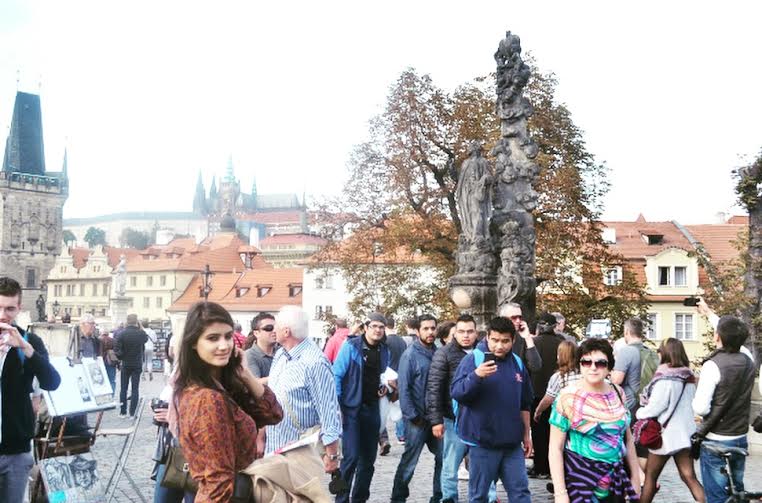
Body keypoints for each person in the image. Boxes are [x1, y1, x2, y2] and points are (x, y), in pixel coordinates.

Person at [175, 301, 283, 501]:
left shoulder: (221, 386)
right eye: (212, 338)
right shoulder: (207, 399)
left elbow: (274, 413)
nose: (224, 345)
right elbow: (219, 481)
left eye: (228, 336)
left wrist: (245, 374)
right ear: (193, 342)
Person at [451, 316, 533, 503]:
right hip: (482, 443)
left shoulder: (518, 364)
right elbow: (457, 392)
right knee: (479, 496)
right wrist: (476, 376)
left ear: (513, 340)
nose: (499, 346)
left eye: (505, 341)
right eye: (495, 340)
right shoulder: (473, 360)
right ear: (487, 337)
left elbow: (524, 403)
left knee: (521, 494)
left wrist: (526, 435)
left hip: (511, 444)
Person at [548, 338, 641, 503]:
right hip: (580, 480)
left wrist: (635, 476)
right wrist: (560, 493)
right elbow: (555, 448)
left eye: (600, 363)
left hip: (614, 482)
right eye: (586, 362)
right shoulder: (567, 396)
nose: (593, 367)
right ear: (579, 365)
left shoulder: (618, 392)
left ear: (609, 367)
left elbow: (627, 439)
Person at [0, 277, 61, 501]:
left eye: (9, 309)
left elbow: (51, 382)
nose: (2, 315)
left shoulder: (29, 341)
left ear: (19, 309)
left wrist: (26, 349)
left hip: (16, 451)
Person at [426, 314, 496, 503]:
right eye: (461, 331)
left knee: (483, 464)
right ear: (455, 333)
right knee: (450, 465)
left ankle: (488, 498)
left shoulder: (484, 352)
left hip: (480, 419)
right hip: (453, 418)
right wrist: (436, 420)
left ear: (476, 333)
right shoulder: (444, 353)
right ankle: (449, 498)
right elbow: (434, 387)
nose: (466, 335)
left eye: (470, 331)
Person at [264, 306, 342, 473]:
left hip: (301, 454)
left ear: (286, 332)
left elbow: (329, 411)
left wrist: (332, 455)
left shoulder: (314, 363)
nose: (273, 330)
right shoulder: (281, 355)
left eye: (275, 326)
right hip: (274, 451)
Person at [692, 315, 755, 503]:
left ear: (717, 337)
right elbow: (737, 340)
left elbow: (701, 408)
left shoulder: (713, 365)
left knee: (717, 496)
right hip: (740, 435)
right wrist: (709, 313)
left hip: (716, 438)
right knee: (738, 492)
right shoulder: (748, 359)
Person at [636, 338, 704, 503]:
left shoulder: (665, 378)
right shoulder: (688, 377)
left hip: (665, 436)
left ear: (665, 353)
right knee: (689, 477)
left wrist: (640, 412)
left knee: (650, 476)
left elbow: (655, 407)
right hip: (685, 434)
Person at [333, 312, 390, 503]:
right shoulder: (351, 347)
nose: (378, 330)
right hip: (351, 410)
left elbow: (381, 375)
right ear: (366, 327)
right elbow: (337, 375)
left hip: (372, 409)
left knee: (368, 462)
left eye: (381, 327)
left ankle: (359, 499)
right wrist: (337, 406)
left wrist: (383, 387)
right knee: (350, 459)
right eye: (374, 326)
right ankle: (341, 499)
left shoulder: (384, 350)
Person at [391, 314, 442, 503]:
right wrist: (412, 416)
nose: (430, 332)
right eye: (426, 328)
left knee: (443, 459)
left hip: (436, 419)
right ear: (418, 331)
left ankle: (439, 497)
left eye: (432, 328)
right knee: (409, 462)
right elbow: (404, 389)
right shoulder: (410, 355)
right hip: (417, 420)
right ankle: (398, 499)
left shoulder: (438, 352)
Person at [610, 317, 658, 472]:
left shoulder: (626, 351)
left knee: (628, 445)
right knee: (642, 446)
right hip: (647, 405)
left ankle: (634, 481)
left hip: (629, 405)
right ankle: (645, 478)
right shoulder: (650, 353)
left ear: (627, 332)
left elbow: (617, 380)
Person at [529, 312, 564, 479]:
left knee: (538, 432)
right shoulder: (562, 343)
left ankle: (540, 465)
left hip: (536, 393)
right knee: (555, 431)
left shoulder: (533, 343)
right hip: (558, 394)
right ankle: (553, 467)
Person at [380, 315, 408, 455]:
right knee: (398, 409)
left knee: (383, 409)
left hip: (388, 377)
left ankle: (383, 438)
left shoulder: (385, 341)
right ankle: (402, 435)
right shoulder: (402, 341)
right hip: (400, 377)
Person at [532, 340, 580, 422]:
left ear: (560, 356)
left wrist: (538, 411)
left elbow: (548, 399)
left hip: (565, 419)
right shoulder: (583, 374)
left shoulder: (558, 377)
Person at [115, 314, 148, 418]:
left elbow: (116, 349)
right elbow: (145, 339)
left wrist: (121, 357)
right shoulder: (141, 333)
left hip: (125, 363)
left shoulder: (121, 334)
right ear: (136, 322)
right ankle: (132, 413)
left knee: (123, 388)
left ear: (127, 321)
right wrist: (141, 327)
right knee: (135, 389)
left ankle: (123, 412)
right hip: (137, 363)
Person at [497, 302, 542, 372]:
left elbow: (536, 366)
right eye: (514, 318)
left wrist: (527, 337)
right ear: (503, 319)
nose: (518, 321)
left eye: (520, 317)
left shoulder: (522, 339)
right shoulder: (493, 338)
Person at [244, 312, 277, 382]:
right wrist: (284, 375)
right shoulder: (249, 355)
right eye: (269, 328)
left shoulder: (282, 351)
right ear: (256, 333)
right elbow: (255, 383)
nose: (274, 331)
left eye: (276, 327)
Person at [99, 328, 118, 394]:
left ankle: (103, 394)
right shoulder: (113, 340)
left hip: (101, 362)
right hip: (112, 362)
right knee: (112, 380)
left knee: (101, 381)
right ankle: (112, 394)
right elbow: (117, 352)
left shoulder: (99, 340)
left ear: (101, 333)